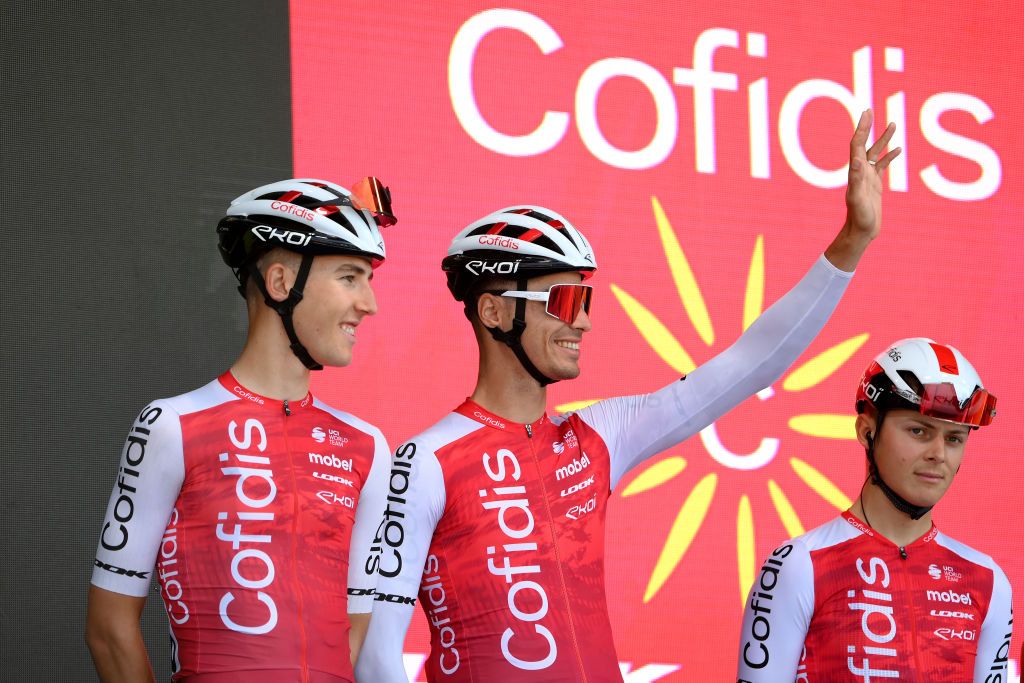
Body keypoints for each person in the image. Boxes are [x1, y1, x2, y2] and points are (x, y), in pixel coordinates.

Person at [355, 111, 898, 682]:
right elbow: (376, 656)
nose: (583, 323)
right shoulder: (423, 460)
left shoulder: (597, 436)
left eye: (586, 303)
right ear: (494, 311)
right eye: (564, 301)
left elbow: (750, 363)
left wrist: (852, 242)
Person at [86, 178, 397, 682]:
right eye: (349, 277)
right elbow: (109, 629)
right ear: (279, 283)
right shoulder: (171, 425)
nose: (369, 304)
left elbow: (353, 636)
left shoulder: (368, 447)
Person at [736, 338, 1011, 682]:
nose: (939, 454)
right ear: (867, 431)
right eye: (918, 431)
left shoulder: (988, 580)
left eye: (954, 438)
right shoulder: (797, 564)